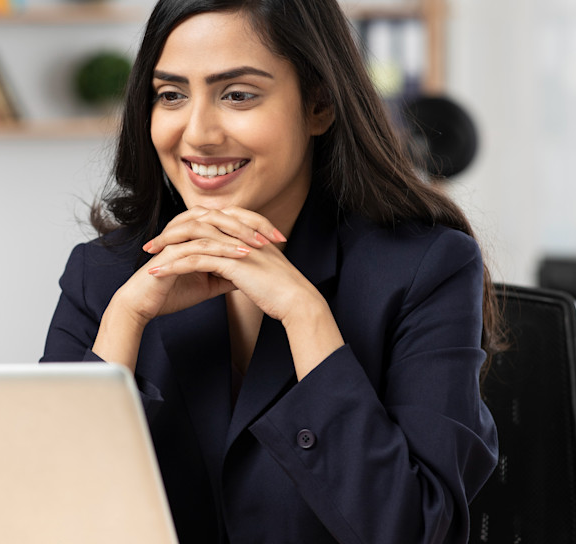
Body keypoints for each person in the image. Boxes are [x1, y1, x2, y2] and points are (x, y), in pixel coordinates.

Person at [41, 0, 501, 542]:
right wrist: (124, 322)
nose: (198, 133)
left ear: (319, 105)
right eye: (171, 95)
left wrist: (306, 317)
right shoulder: (104, 276)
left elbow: (415, 531)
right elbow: (47, 516)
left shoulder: (426, 270)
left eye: (238, 94)